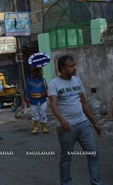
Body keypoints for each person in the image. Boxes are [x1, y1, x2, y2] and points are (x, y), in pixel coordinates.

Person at [48, 55, 102, 185]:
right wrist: (62, 121)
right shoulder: (54, 84)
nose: (74, 68)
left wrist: (94, 122)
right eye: (71, 66)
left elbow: (84, 103)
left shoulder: (77, 81)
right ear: (62, 68)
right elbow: (54, 105)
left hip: (83, 123)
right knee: (66, 158)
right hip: (67, 127)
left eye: (74, 65)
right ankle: (66, 183)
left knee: (93, 153)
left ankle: (96, 182)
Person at [25, 67, 48, 134]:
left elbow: (46, 88)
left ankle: (44, 127)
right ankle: (35, 128)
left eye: (37, 71)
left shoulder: (43, 80)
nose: (36, 73)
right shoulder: (29, 80)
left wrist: (45, 93)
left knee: (43, 113)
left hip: (42, 99)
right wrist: (27, 99)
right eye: (34, 72)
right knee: (34, 114)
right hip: (33, 100)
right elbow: (27, 91)